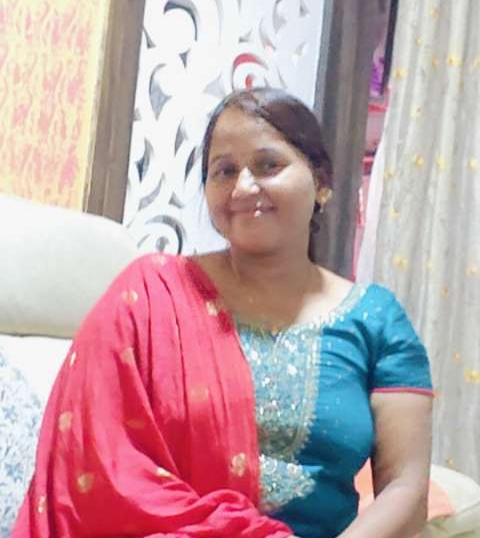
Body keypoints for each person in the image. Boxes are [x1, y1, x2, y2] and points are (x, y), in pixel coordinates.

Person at [12, 88, 433, 538]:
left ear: (322, 182)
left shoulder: (377, 320)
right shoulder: (150, 295)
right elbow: (99, 464)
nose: (243, 187)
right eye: (224, 171)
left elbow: (405, 487)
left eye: (268, 165)